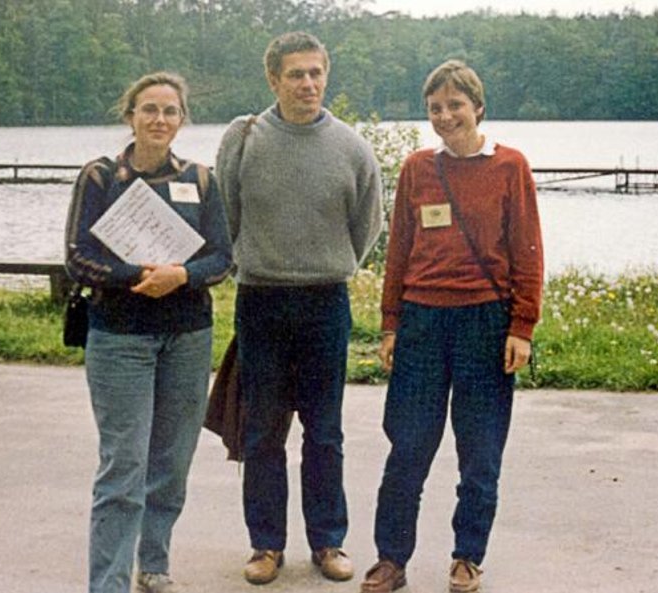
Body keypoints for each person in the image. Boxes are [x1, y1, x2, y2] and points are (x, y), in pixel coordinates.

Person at [360, 60, 544, 593]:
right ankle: (391, 559)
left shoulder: (510, 167)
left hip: (485, 322)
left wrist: (522, 327)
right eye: (436, 108)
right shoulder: (418, 168)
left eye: (455, 105)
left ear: (477, 107)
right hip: (421, 320)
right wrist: (390, 324)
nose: (445, 116)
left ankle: (467, 556)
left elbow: (528, 252)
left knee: (480, 450)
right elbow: (398, 253)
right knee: (408, 448)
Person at [215, 31, 383, 586]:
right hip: (260, 298)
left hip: (325, 302)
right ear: (273, 79)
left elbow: (366, 228)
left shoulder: (353, 148)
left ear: (326, 76)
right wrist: (258, 262)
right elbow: (227, 218)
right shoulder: (244, 139)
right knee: (263, 431)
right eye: (295, 74)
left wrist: (327, 264)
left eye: (315, 73)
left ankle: (328, 540)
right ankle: (266, 545)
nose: (307, 84)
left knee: (325, 431)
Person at [64, 71, 232, 593]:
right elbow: (76, 258)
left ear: (182, 120)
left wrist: (181, 275)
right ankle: (108, 582)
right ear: (130, 115)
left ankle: (154, 564)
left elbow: (223, 258)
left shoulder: (202, 180)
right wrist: (137, 276)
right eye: (149, 109)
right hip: (118, 339)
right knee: (123, 466)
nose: (159, 119)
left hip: (187, 336)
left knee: (172, 462)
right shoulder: (99, 178)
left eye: (170, 111)